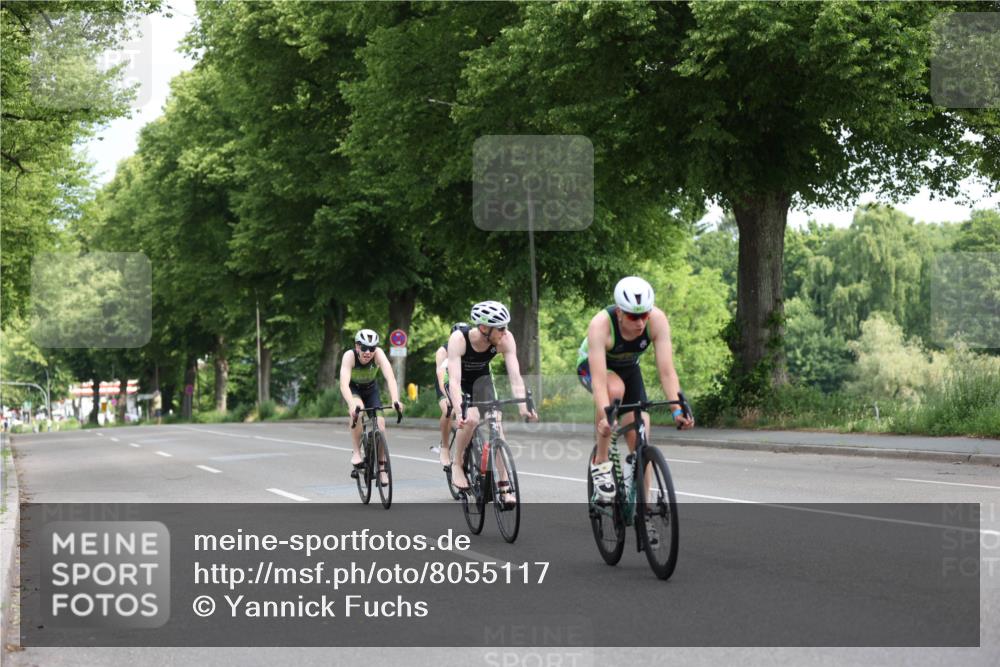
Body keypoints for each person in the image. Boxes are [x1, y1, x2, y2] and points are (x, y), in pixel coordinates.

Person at [577, 276, 694, 503]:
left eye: (644, 315)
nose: (640, 323)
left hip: (630, 369)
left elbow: (667, 372)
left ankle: (645, 509)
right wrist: (605, 417)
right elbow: (600, 383)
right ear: (620, 312)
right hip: (594, 369)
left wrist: (677, 410)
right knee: (615, 390)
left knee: (641, 437)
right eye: (633, 316)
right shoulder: (600, 325)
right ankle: (600, 463)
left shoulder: (657, 320)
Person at [447, 301, 537, 500]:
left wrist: (523, 406)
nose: (505, 332)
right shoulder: (459, 339)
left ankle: (503, 484)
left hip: (483, 381)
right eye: (501, 328)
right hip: (460, 382)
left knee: (496, 425)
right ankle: (457, 463)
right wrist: (459, 408)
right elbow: (453, 381)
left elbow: (515, 376)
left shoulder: (506, 339)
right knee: (470, 419)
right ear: (484, 328)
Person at [339, 329, 403, 484]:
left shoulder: (379, 354)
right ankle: (356, 452)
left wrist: (396, 400)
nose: (368, 352)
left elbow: (391, 378)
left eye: (372, 348)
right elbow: (343, 385)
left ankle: (381, 467)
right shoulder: (349, 356)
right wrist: (351, 405)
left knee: (381, 425)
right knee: (358, 412)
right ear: (357, 346)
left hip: (370, 390)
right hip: (354, 390)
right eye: (364, 348)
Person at [434, 322, 467, 469]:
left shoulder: (471, 347)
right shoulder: (442, 352)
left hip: (462, 382)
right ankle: (445, 446)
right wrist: (448, 397)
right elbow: (442, 377)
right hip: (445, 383)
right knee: (450, 410)